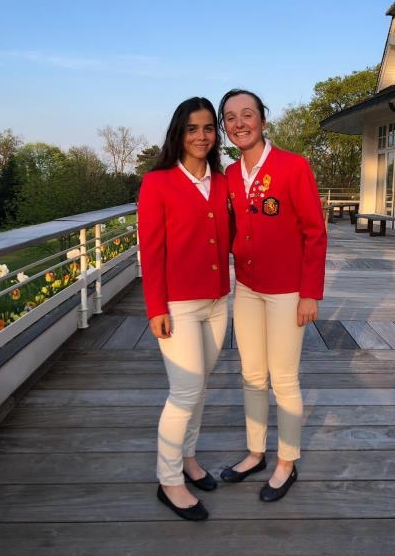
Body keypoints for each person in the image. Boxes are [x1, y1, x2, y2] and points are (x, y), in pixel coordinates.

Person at [218, 89, 327, 502]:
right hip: (246, 288)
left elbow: (315, 233)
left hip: (287, 292)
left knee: (283, 378)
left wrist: (309, 294)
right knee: (251, 374)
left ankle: (286, 462)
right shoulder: (228, 174)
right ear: (225, 127)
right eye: (230, 117)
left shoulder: (292, 166)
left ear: (263, 120)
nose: (239, 123)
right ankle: (255, 453)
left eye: (248, 114)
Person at [138, 97, 230, 521]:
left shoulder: (223, 181)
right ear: (179, 132)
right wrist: (156, 306)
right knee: (185, 392)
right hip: (178, 305)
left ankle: (189, 459)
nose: (201, 136)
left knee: (202, 386)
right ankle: (169, 479)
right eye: (192, 128)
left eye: (208, 128)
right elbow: (151, 252)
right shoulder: (157, 183)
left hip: (218, 300)